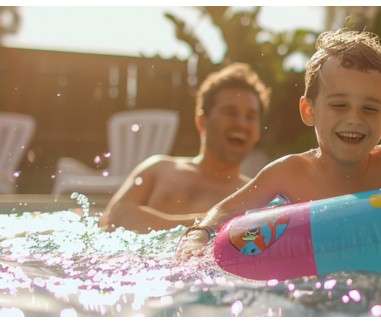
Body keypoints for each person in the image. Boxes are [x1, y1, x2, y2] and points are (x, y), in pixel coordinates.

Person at [175, 29, 381, 261]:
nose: (354, 119)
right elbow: (224, 211)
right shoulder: (289, 172)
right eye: (339, 105)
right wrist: (198, 235)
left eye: (369, 109)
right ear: (309, 110)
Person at [99, 63, 269, 232]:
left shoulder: (256, 194)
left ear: (258, 133)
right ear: (202, 121)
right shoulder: (159, 169)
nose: (241, 123)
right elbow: (114, 218)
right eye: (230, 112)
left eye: (250, 116)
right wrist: (217, 221)